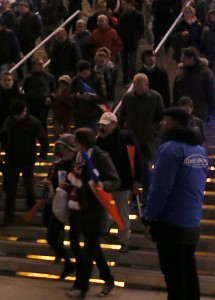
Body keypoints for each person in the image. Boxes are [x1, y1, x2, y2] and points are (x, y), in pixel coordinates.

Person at [143, 107, 209, 300]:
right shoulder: (200, 151)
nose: (162, 123)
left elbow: (160, 188)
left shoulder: (170, 149)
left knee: (173, 276)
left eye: (166, 120)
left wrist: (149, 218)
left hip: (171, 222)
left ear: (176, 123)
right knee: (188, 270)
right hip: (191, 221)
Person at [65, 128, 119, 299]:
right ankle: (108, 279)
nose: (73, 143)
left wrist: (104, 185)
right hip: (79, 207)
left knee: (88, 251)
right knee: (92, 250)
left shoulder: (100, 157)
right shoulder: (78, 157)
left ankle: (81, 288)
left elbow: (115, 180)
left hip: (96, 210)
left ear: (82, 141)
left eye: (75, 140)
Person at [95, 112, 143, 252]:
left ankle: (124, 240)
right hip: (107, 181)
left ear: (114, 124)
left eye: (105, 125)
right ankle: (107, 227)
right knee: (107, 208)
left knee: (121, 211)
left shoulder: (126, 137)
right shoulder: (101, 140)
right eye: (101, 126)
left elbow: (137, 157)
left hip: (123, 180)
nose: (102, 128)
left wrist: (137, 178)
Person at [0, 100, 46, 227]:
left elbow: (43, 139)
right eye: (16, 115)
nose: (19, 117)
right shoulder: (9, 121)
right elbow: (2, 135)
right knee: (10, 187)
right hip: (12, 158)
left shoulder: (33, 122)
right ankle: (8, 217)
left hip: (27, 158)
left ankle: (31, 209)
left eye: (21, 114)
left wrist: (43, 155)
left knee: (28, 184)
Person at [41, 134, 77, 280]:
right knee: (51, 236)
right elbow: (52, 179)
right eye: (60, 147)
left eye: (64, 147)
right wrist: (49, 185)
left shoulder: (76, 164)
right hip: (58, 200)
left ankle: (73, 267)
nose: (61, 150)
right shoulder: (57, 164)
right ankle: (68, 262)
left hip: (73, 202)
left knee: (73, 240)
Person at [172, 47, 215, 122]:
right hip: (183, 109)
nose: (181, 60)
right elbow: (175, 92)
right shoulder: (180, 73)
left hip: (199, 109)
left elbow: (211, 92)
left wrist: (211, 111)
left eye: (184, 57)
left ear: (192, 58)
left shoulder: (206, 72)